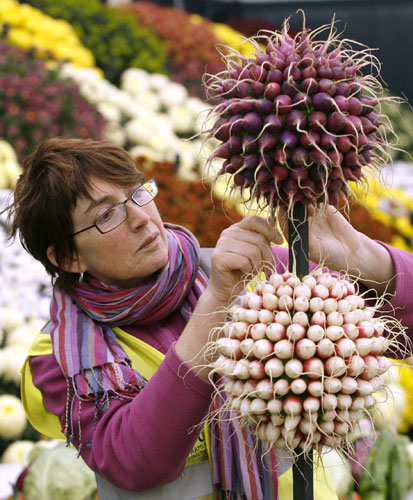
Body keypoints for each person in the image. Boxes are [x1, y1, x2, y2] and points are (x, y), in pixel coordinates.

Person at [7, 137, 413, 500]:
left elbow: (399, 337)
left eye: (137, 193)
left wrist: (366, 259)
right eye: (107, 215)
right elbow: (136, 461)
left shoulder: (255, 271)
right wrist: (218, 299)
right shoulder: (59, 359)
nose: (140, 218)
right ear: (67, 257)